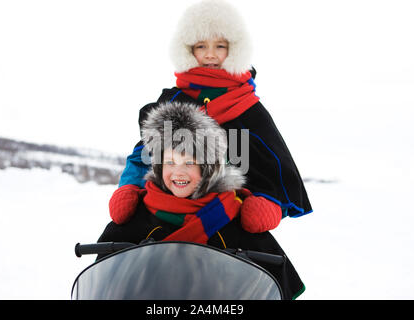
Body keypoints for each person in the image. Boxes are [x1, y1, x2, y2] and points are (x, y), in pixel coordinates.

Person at [111, 0, 313, 233]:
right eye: (200, 46)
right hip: (164, 207)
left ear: (234, 49)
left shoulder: (249, 110)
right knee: (116, 238)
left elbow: (273, 164)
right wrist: (128, 189)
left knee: (268, 258)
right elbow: (144, 153)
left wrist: (268, 204)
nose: (210, 55)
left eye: (220, 46)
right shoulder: (172, 100)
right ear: (187, 50)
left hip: (227, 214)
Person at [97, 101, 305, 299]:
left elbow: (272, 284)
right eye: (170, 162)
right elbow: (104, 282)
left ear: (208, 169)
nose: (178, 172)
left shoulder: (233, 219)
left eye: (189, 162)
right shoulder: (139, 217)